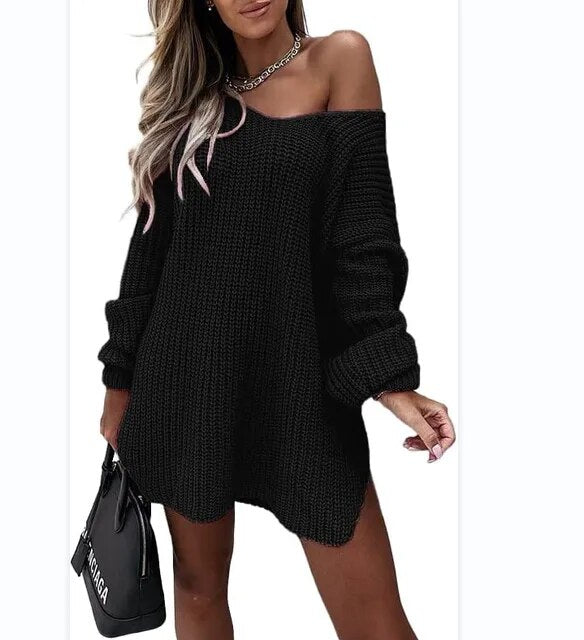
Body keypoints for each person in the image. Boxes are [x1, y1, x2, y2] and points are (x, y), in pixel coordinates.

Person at [98, 1, 456, 638]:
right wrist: (118, 383)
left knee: (375, 622)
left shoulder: (340, 59)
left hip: (300, 383)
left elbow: (364, 239)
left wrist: (390, 379)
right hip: (189, 381)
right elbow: (149, 254)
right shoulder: (192, 101)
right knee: (199, 589)